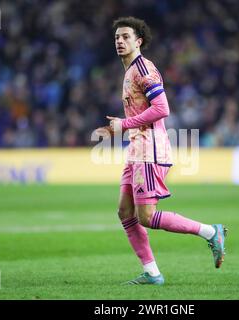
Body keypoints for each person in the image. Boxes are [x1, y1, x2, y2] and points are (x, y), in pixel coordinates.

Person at [96, 16, 227, 285]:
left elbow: (162, 109)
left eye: (126, 37)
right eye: (117, 38)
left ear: (138, 41)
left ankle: (210, 232)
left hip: (150, 150)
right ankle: (153, 273)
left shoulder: (144, 69)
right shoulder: (129, 70)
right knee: (124, 212)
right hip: (136, 150)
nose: (119, 41)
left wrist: (124, 124)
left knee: (145, 216)